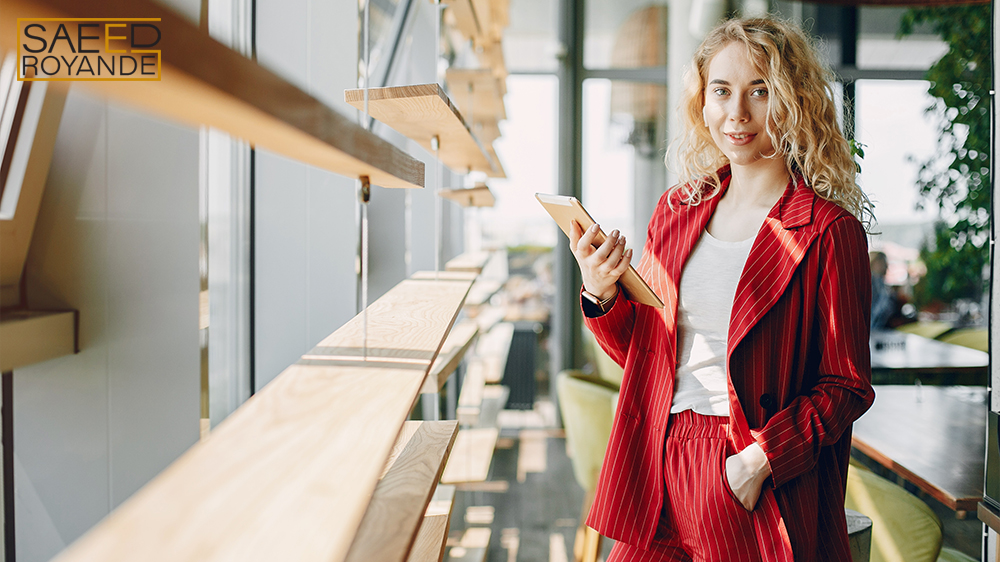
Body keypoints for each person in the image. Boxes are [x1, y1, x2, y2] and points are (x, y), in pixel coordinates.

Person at [568, 16, 875, 562]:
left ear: (793, 100)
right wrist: (601, 293)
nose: (737, 113)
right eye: (722, 91)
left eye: (759, 91)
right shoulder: (676, 210)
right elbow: (645, 355)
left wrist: (758, 462)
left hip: (744, 465)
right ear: (702, 103)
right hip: (657, 462)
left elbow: (845, 386)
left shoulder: (828, 232)